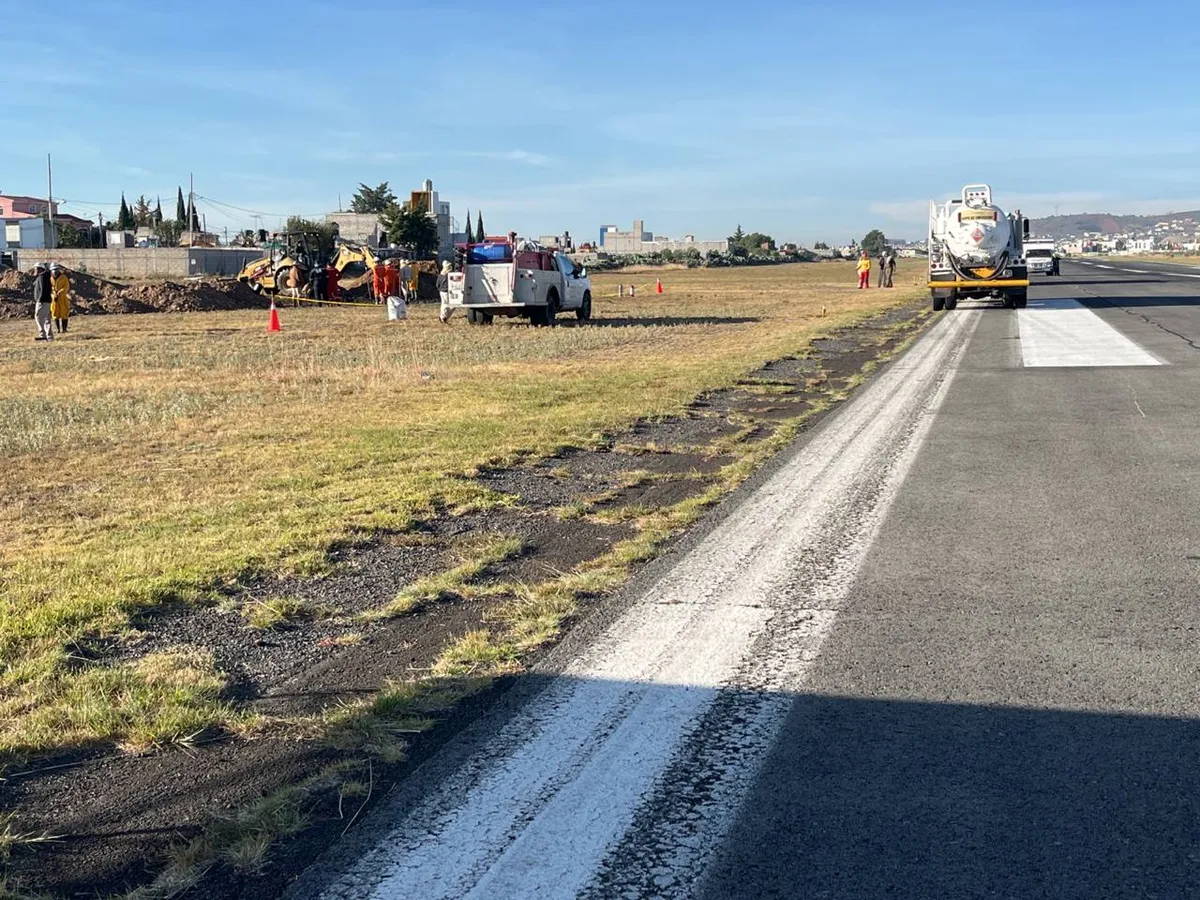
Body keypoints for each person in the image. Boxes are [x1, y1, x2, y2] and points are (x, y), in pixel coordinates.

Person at [32, 263, 53, 341]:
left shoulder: (42, 277)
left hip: (42, 301)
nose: (35, 270)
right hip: (46, 301)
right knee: (47, 319)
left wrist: (40, 300)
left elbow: (43, 289)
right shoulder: (45, 277)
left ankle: (42, 335)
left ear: (40, 269)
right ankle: (49, 336)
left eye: (36, 269)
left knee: (39, 317)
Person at [50, 263, 71, 333]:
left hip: (62, 298)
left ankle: (64, 329)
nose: (55, 272)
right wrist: (53, 294)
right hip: (54, 299)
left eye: (56, 270)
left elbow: (66, 286)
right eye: (53, 270)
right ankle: (58, 329)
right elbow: (49, 288)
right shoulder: (50, 278)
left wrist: (60, 292)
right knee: (55, 313)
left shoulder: (63, 277)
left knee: (64, 313)